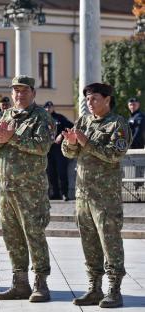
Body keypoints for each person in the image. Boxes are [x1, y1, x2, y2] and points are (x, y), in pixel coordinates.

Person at [0, 75, 55, 302]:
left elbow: (42, 146)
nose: (19, 95)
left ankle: (41, 283)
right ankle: (20, 283)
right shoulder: (5, 115)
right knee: (12, 237)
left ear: (33, 93)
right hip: (5, 189)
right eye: (16, 91)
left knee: (34, 235)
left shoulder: (42, 117)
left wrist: (12, 137)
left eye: (24, 91)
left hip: (30, 190)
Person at [62, 83, 131, 308]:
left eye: (94, 99)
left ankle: (114, 288)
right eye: (87, 100)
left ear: (107, 99)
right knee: (89, 242)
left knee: (109, 241)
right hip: (83, 194)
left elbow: (115, 154)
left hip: (105, 196)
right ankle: (94, 287)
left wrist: (85, 142)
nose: (89, 103)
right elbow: (67, 151)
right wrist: (71, 143)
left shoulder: (117, 124)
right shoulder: (83, 121)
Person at [44, 101, 74, 201]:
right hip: (47, 150)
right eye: (46, 107)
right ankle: (54, 194)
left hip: (59, 150)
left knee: (62, 172)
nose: (48, 109)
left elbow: (71, 126)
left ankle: (64, 193)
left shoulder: (59, 118)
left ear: (53, 107)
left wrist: (62, 135)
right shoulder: (43, 119)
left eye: (50, 107)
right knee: (50, 173)